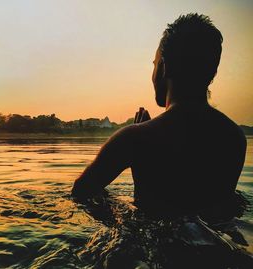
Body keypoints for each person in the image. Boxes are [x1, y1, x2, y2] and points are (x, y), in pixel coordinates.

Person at [71, 13, 247, 221]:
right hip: (215, 251)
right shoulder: (234, 137)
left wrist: (119, 214)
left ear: (164, 67)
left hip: (150, 250)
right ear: (213, 71)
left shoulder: (134, 138)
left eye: (154, 64)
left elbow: (80, 194)